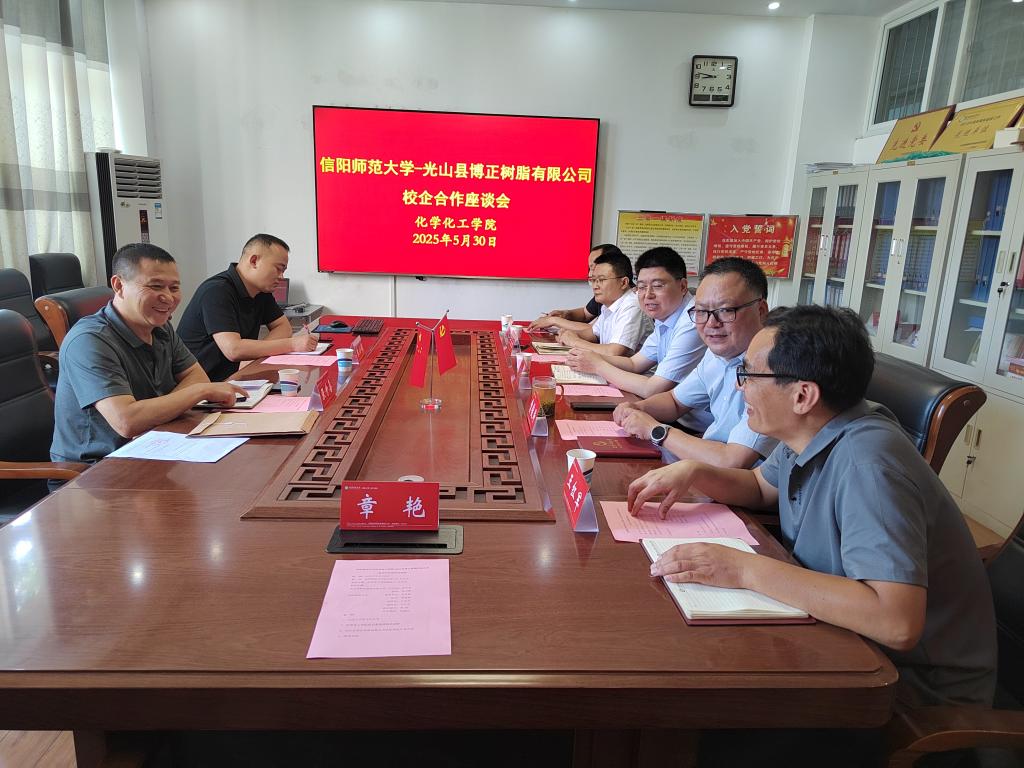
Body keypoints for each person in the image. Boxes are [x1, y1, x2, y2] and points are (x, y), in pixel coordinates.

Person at [630, 304, 997, 711]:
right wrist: (695, 471)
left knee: (695, 701)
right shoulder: (812, 431)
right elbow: (760, 487)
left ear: (803, 395)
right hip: (835, 641)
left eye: (748, 375)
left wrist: (743, 569)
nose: (739, 387)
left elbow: (895, 622)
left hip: (908, 693)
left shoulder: (868, 465)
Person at [50, 243, 246, 464]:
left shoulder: (160, 327)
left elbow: (196, 376)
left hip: (154, 445)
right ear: (118, 285)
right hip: (96, 468)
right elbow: (127, 421)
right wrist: (201, 392)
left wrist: (155, 413)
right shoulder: (89, 340)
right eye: (156, 286)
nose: (168, 298)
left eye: (174, 288)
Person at [612, 257, 776, 467]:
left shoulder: (773, 369)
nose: (711, 323)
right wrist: (637, 408)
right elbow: (675, 401)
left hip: (737, 479)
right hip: (705, 464)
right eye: (701, 311)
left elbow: (733, 460)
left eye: (726, 310)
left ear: (761, 310)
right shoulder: (716, 355)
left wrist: (656, 430)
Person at [564, 247, 705, 399]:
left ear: (682, 286)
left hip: (686, 412)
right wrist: (590, 357)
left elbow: (652, 389)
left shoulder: (694, 321)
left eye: (657, 285)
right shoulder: (666, 315)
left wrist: (598, 365)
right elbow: (634, 364)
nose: (648, 295)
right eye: (642, 286)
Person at [177, 233, 317, 381]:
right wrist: (292, 344)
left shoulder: (261, 291)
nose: (281, 277)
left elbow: (283, 327)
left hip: (234, 377)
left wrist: (253, 356)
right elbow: (233, 349)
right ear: (254, 261)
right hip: (201, 383)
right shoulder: (217, 290)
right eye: (278, 268)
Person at [531, 250, 650, 357]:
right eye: (593, 280)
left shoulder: (632, 306)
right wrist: (568, 334)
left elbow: (614, 352)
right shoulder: (609, 304)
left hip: (633, 374)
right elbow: (593, 333)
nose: (595, 286)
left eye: (601, 280)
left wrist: (575, 341)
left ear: (623, 282)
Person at [528, 243, 623, 331]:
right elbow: (586, 314)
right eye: (590, 268)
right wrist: (565, 314)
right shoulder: (604, 294)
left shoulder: (623, 299)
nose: (590, 274)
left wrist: (554, 321)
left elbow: (595, 331)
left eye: (594, 267)